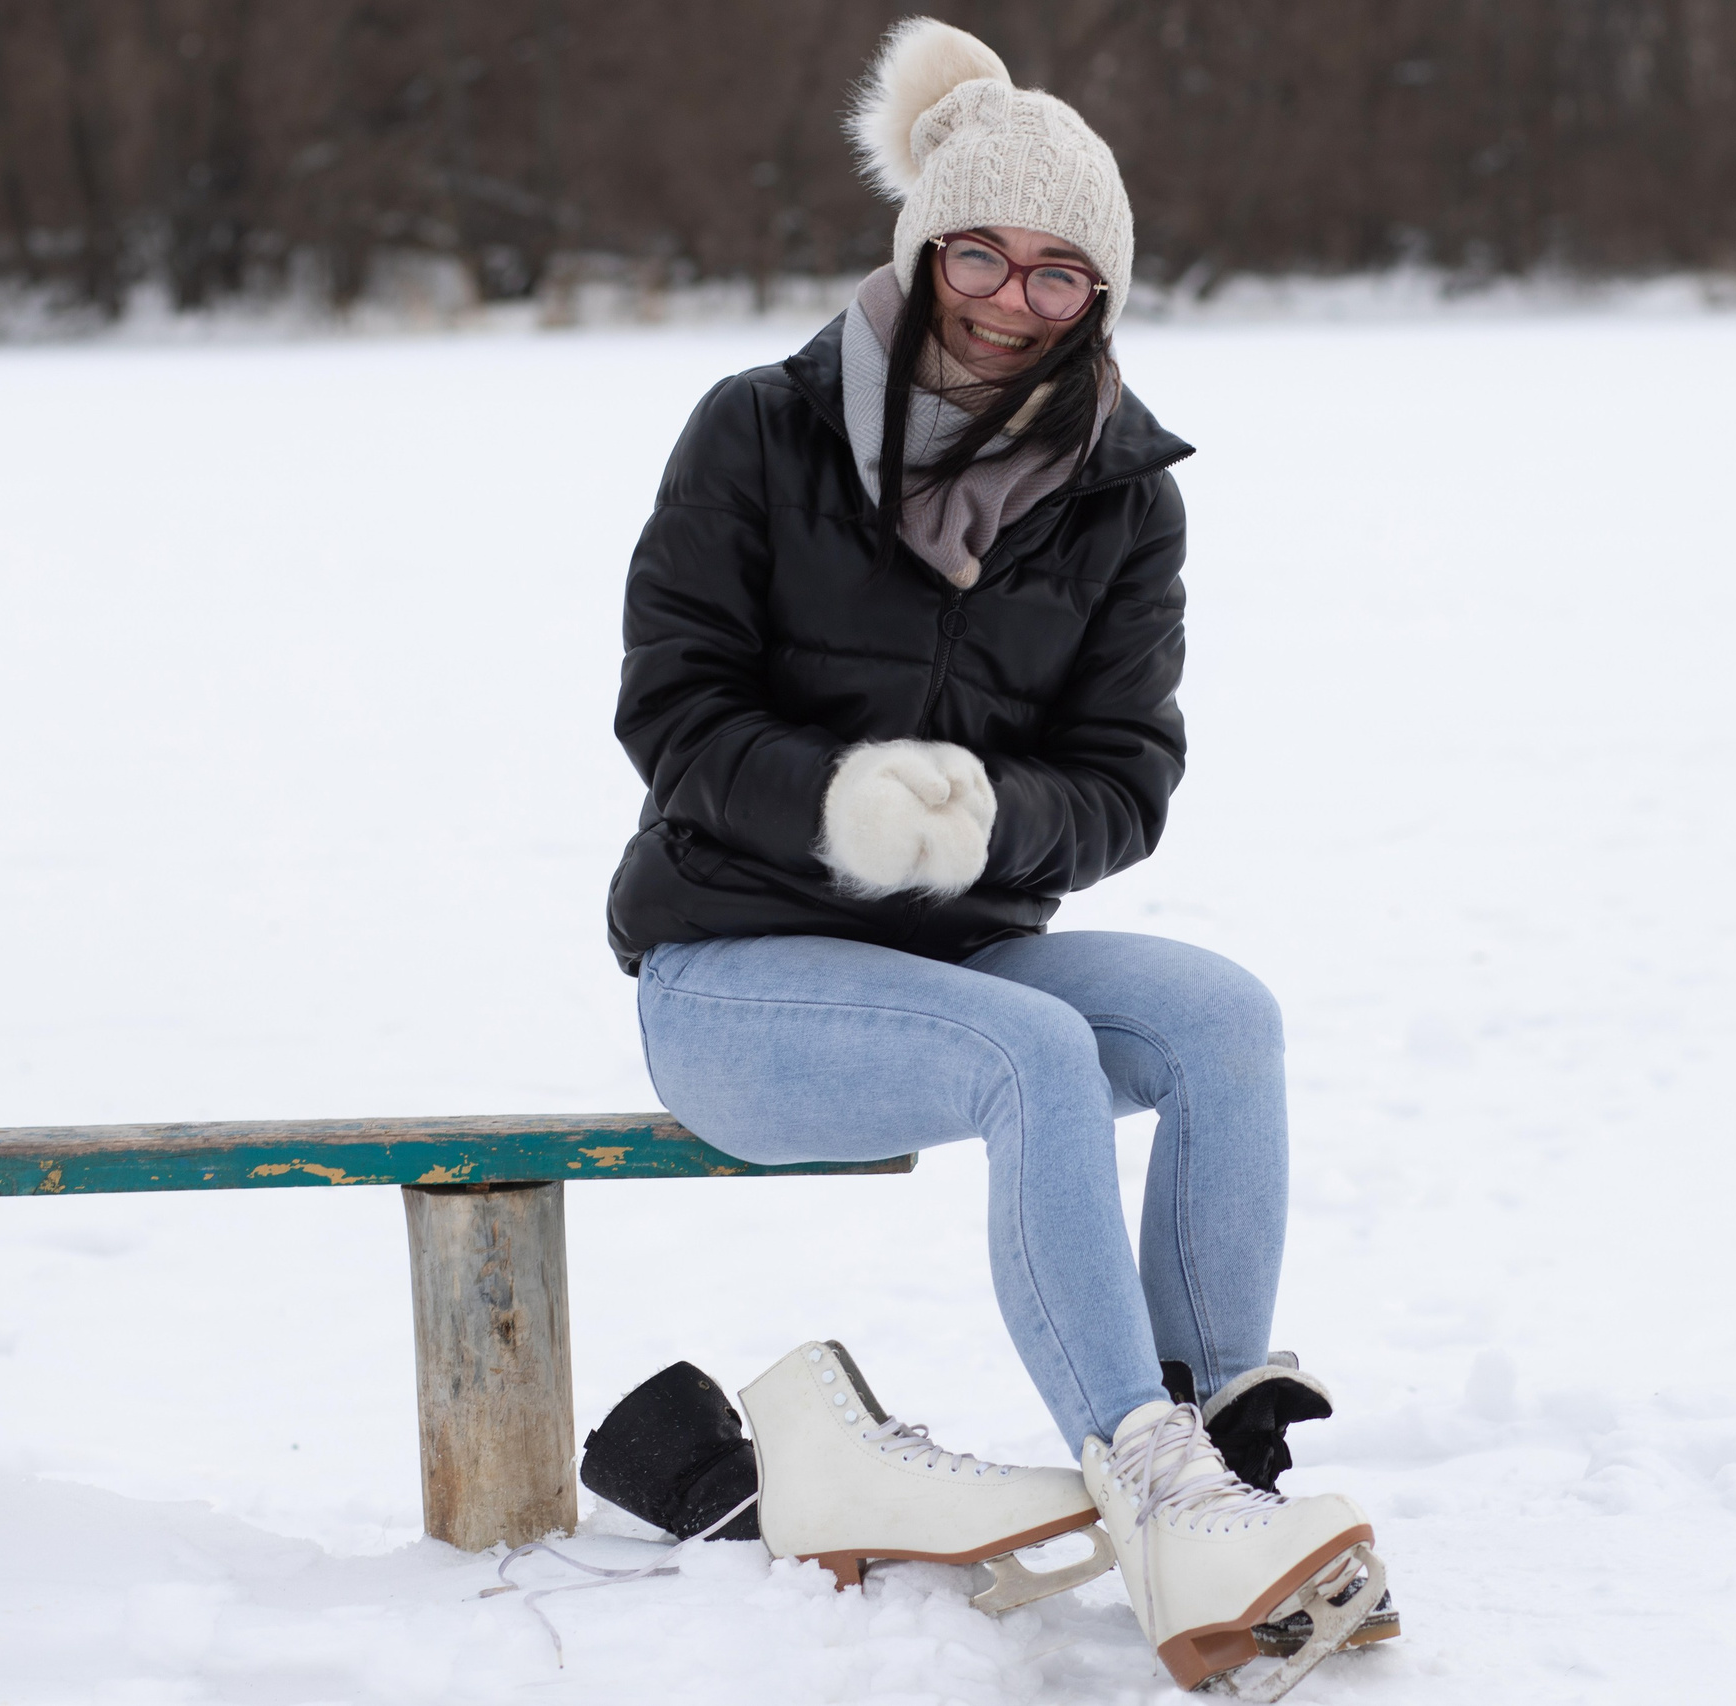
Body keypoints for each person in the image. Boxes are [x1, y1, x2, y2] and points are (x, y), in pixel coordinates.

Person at [606, 20, 1389, 1694]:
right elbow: (673, 713)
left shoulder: (1125, 496)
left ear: (1099, 295)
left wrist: (991, 821)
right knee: (1030, 1049)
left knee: (1223, 1016)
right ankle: (1145, 1470)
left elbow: (1123, 777)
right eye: (979, 254)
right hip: (732, 972)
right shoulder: (757, 431)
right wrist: (840, 806)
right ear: (922, 248)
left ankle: (1218, 1448)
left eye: (1056, 273)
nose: (1007, 300)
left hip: (960, 951)